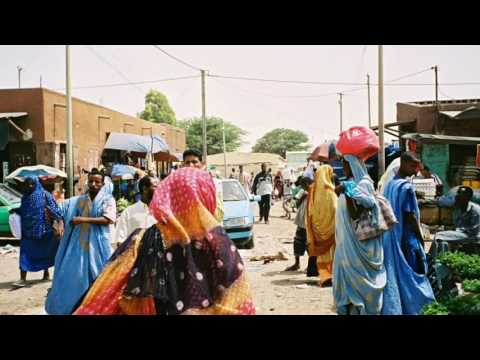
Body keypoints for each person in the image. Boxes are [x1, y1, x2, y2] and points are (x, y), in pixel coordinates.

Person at [73, 167, 255, 315]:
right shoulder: (218, 240)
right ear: (204, 195)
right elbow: (239, 296)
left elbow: (109, 288)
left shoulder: (143, 238)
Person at [45, 169, 116, 315]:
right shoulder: (79, 200)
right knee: (75, 276)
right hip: (78, 246)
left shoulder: (108, 200)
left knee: (99, 277)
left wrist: (82, 219)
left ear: (102, 184)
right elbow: (60, 210)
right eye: (91, 181)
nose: (94, 184)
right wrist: (56, 222)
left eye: (97, 182)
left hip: (98, 246)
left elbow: (108, 219)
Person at [381, 152, 435, 315]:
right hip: (408, 238)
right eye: (412, 166)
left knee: (398, 273)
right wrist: (421, 238)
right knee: (413, 273)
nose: (415, 170)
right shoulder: (405, 187)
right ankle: (417, 307)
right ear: (403, 164)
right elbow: (410, 216)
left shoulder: (390, 184)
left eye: (417, 166)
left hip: (392, 237)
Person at [332, 155, 386, 315]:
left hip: (359, 244)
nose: (344, 168)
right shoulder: (349, 183)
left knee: (359, 281)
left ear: (354, 165)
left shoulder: (363, 184)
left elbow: (356, 214)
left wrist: (347, 192)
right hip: (346, 242)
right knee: (347, 280)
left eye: (346, 165)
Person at [10, 177, 62, 288]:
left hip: (43, 230)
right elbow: (24, 209)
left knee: (44, 252)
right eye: (27, 184)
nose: (29, 186)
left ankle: (46, 273)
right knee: (24, 253)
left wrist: (59, 220)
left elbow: (55, 208)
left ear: (36, 183)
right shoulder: (25, 197)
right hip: (27, 231)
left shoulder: (45, 194)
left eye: (32, 184)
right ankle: (22, 279)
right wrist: (16, 210)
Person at [305, 165, 338, 286]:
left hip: (317, 228)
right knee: (331, 253)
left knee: (322, 255)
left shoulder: (312, 190)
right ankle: (331, 275)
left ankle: (324, 277)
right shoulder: (331, 191)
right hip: (331, 229)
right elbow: (336, 208)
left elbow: (309, 210)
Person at [429, 186, 480, 258]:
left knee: (438, 236)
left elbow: (474, 231)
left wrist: (453, 230)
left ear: (467, 197)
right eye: (457, 193)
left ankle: (431, 260)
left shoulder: (475, 210)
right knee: (442, 241)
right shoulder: (457, 206)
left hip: (471, 236)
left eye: (460, 194)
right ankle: (440, 261)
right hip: (460, 233)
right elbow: (440, 201)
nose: (457, 196)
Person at [112, 176, 159, 248]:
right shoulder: (129, 212)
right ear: (145, 189)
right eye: (156, 187)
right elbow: (120, 240)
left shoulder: (162, 212)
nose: (160, 189)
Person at [183, 149, 224, 222]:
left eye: (194, 162)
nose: (191, 165)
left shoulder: (213, 183)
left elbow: (219, 213)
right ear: (183, 165)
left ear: (202, 164)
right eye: (187, 162)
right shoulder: (179, 185)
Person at [285, 176, 313, 272]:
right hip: (301, 221)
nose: (302, 187)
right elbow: (295, 205)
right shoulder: (302, 192)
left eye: (303, 185)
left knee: (309, 245)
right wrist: (303, 197)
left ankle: (311, 265)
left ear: (307, 184)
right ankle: (297, 263)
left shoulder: (315, 192)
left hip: (309, 223)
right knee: (297, 242)